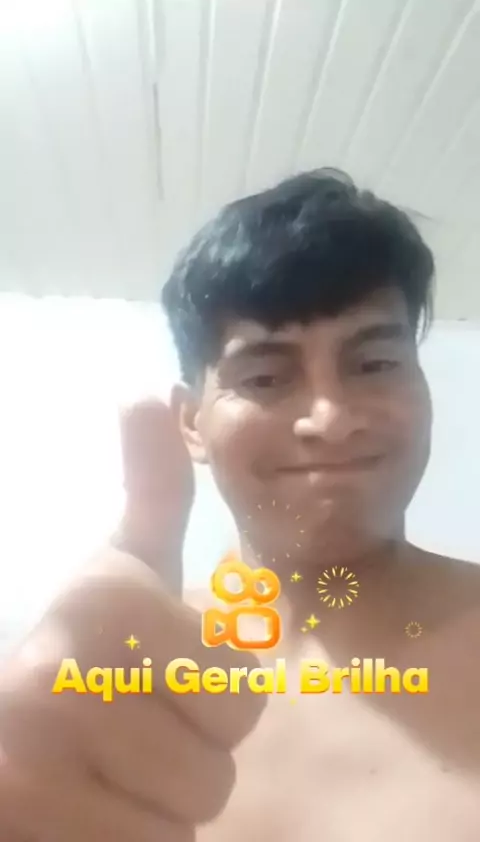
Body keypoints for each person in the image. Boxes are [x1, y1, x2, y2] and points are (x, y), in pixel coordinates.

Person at [1, 169, 479, 840]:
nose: (330, 419)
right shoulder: (110, 674)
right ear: (191, 423)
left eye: (374, 364)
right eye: (264, 376)